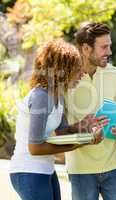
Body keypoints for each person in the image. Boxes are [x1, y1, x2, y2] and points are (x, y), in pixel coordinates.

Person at [9, 39, 108, 200]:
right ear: (62, 70)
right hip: (28, 171)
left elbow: (61, 131)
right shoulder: (41, 97)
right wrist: (81, 143)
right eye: (77, 69)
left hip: (45, 169)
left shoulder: (58, 96)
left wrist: (82, 125)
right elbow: (35, 147)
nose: (82, 73)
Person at [65, 22, 116, 200]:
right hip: (81, 169)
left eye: (110, 45)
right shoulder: (67, 80)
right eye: (104, 47)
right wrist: (83, 128)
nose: (109, 52)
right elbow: (60, 128)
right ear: (86, 48)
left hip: (115, 166)